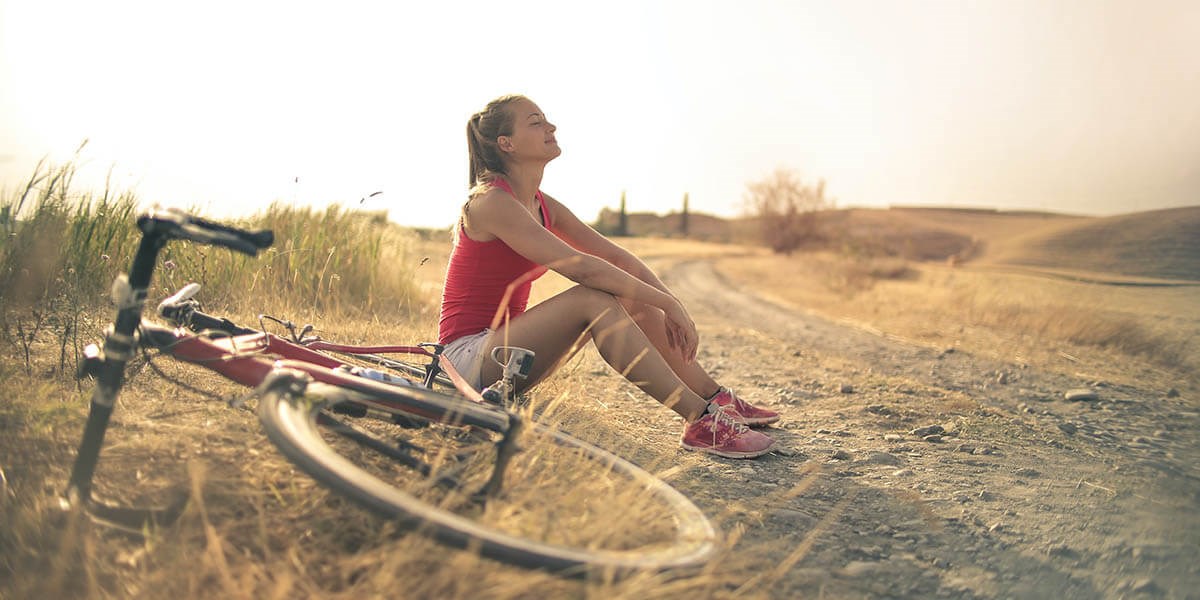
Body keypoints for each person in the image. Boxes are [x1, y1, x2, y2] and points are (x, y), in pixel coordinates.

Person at [438, 94, 779, 459]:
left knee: (631, 293)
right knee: (593, 297)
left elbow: (614, 256)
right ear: (506, 143)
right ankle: (700, 420)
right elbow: (580, 266)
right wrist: (665, 302)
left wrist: (669, 302)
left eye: (546, 119)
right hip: (465, 361)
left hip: (509, 358)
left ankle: (715, 399)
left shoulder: (541, 204)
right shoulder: (491, 202)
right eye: (535, 122)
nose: (550, 127)